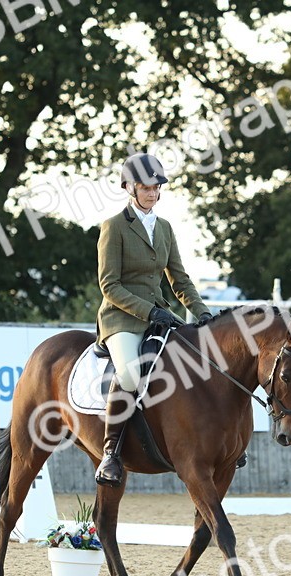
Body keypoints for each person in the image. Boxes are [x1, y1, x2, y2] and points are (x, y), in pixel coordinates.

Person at [94, 152, 213, 486]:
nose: (152, 193)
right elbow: (109, 285)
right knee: (131, 374)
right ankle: (111, 453)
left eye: (156, 187)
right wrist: (149, 311)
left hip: (161, 316)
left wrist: (202, 312)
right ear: (130, 187)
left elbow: (180, 279)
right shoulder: (115, 226)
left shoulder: (164, 228)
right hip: (122, 319)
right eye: (145, 187)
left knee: (196, 362)